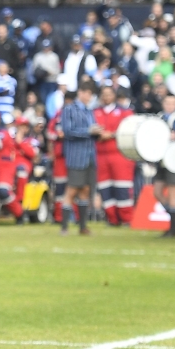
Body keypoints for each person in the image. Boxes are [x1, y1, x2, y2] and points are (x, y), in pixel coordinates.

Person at [59, 79, 102, 236]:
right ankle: (64, 227)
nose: (89, 97)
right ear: (81, 93)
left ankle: (82, 227)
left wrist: (97, 133)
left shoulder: (90, 111)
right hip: (76, 156)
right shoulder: (69, 109)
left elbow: (91, 131)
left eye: (91, 94)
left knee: (85, 190)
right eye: (88, 94)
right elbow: (67, 131)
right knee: (71, 190)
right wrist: (89, 131)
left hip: (90, 156)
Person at [93, 85, 135, 226]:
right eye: (104, 94)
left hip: (119, 154)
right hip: (100, 155)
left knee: (122, 187)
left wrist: (110, 134)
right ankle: (112, 218)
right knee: (105, 188)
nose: (106, 97)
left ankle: (126, 218)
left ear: (114, 95)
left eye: (109, 94)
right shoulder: (95, 112)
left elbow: (129, 129)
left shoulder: (125, 112)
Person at [154, 95, 175, 237]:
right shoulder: (159, 118)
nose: (170, 106)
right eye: (167, 103)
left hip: (174, 160)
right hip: (161, 160)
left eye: (172, 103)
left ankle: (173, 227)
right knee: (157, 192)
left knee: (173, 194)